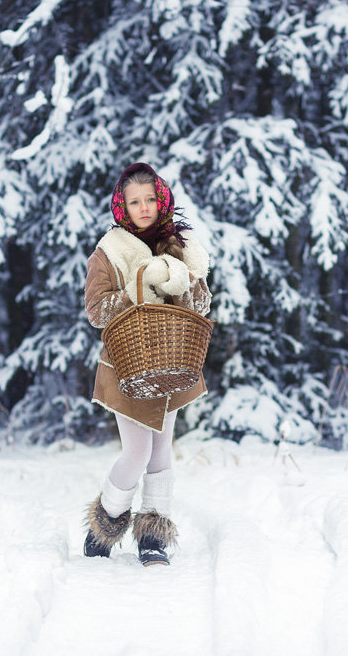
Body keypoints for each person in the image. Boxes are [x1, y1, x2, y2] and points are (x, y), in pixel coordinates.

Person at [81, 162, 212, 566]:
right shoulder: (111, 250)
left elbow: (204, 304)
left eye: (150, 199)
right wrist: (137, 289)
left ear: (162, 200)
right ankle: (104, 526)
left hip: (171, 358)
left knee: (160, 452)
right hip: (128, 363)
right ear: (122, 206)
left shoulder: (183, 246)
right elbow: (95, 309)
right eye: (134, 202)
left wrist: (181, 284)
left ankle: (152, 537)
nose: (144, 208)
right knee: (137, 451)